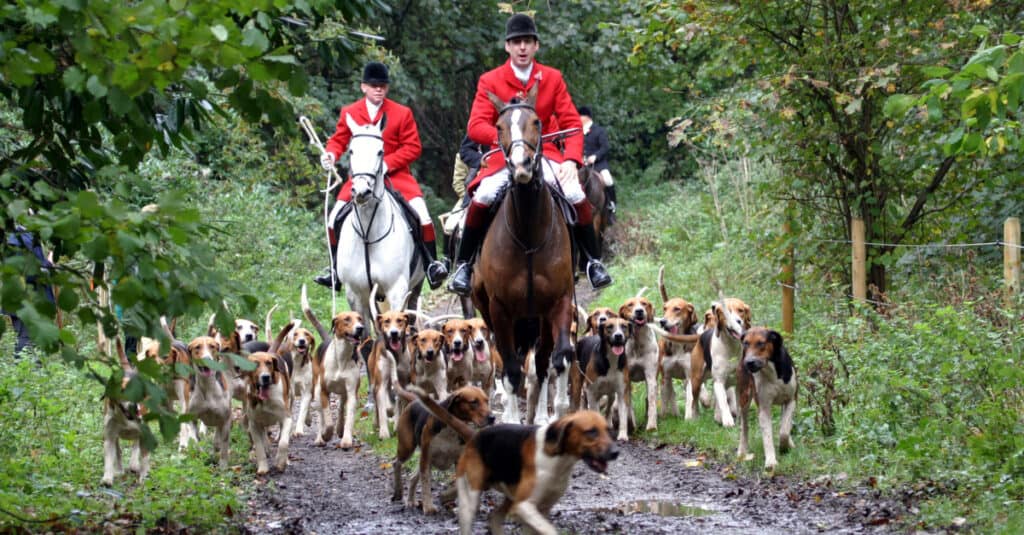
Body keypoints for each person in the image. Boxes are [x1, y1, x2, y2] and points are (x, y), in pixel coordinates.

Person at [447, 13, 612, 296]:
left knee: (574, 192)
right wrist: (506, 141)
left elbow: (572, 123)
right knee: (483, 195)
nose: (522, 47)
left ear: (536, 46)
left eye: (527, 42)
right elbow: (475, 126)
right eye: (516, 42)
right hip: (505, 156)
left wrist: (572, 159)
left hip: (543, 154)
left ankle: (592, 262)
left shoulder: (552, 77)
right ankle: (463, 265)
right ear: (507, 47)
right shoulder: (490, 80)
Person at [315, 61, 448, 290]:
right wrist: (330, 155)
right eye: (374, 85)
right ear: (363, 87)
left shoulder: (402, 113)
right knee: (333, 218)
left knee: (424, 217)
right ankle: (335, 269)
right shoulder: (350, 112)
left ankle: (430, 266)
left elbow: (413, 147)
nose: (379, 90)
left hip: (396, 177)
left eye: (383, 86)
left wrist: (388, 163)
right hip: (360, 179)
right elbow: (338, 140)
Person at [3, 226, 55, 358]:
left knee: (31, 340)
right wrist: (48, 265)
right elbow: (25, 273)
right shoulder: (19, 240)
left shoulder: (27, 237)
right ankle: (26, 376)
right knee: (27, 341)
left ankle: (32, 374)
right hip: (25, 301)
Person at [578, 106, 617, 217]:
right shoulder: (578, 131)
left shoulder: (599, 131)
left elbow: (605, 147)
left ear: (586, 117)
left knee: (608, 179)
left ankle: (611, 204)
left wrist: (595, 156)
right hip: (582, 165)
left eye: (579, 116)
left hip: (598, 164)